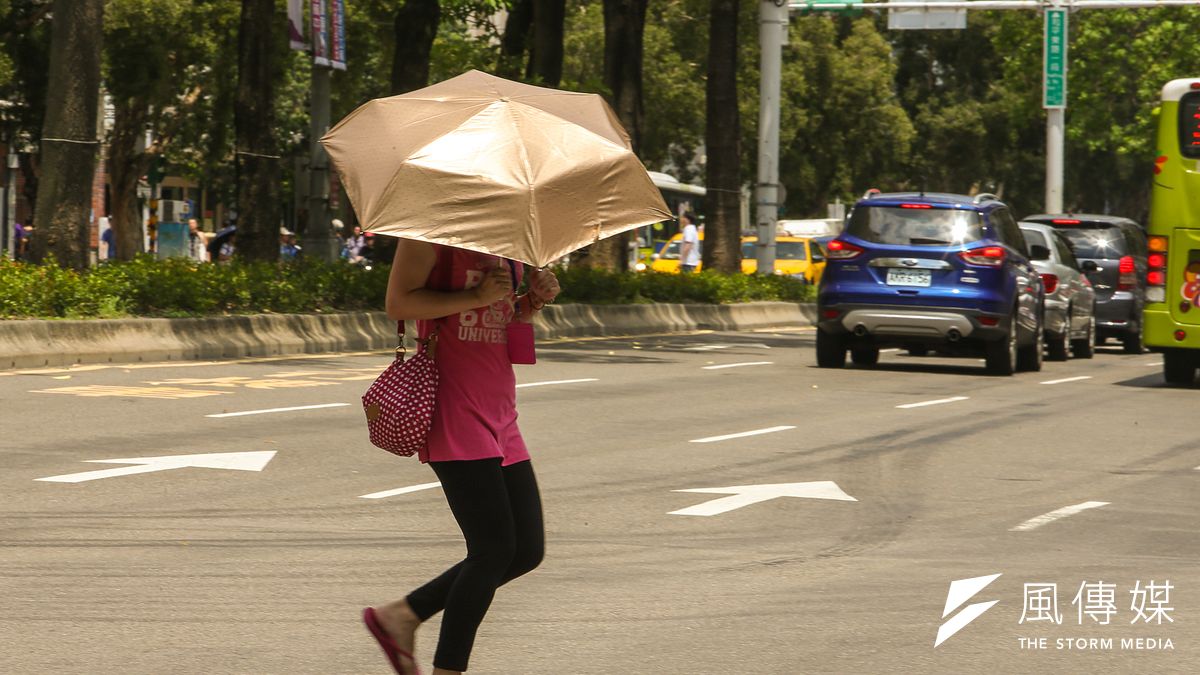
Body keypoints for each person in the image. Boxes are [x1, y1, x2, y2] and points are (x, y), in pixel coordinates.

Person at [364, 238, 560, 675]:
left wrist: (532, 301)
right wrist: (475, 295)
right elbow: (398, 304)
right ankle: (446, 668)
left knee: (525, 550)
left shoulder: (507, 246)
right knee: (492, 550)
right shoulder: (427, 238)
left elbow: (500, 322)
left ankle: (401, 615)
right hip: (453, 409)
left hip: (501, 413)